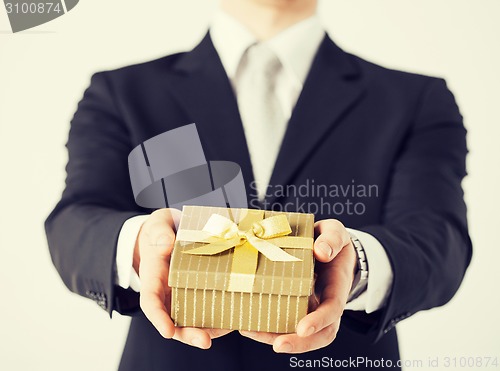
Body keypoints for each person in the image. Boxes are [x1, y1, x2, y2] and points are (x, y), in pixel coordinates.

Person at [45, 0, 472, 370]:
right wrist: (143, 245)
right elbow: (77, 221)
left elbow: (439, 240)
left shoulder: (414, 99)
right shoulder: (122, 92)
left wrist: (356, 264)